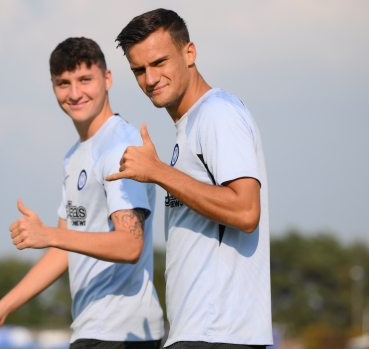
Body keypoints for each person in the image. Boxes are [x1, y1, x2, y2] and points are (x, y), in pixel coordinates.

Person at [0, 37, 165, 349]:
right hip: (91, 331)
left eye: (85, 79)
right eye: (63, 83)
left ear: (107, 79)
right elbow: (62, 250)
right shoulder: (74, 156)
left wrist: (50, 235)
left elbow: (129, 244)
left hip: (122, 335)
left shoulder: (120, 146)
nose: (74, 93)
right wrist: (0, 311)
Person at [107, 9, 272, 349]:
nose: (150, 79)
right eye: (139, 70)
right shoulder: (190, 126)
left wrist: (157, 172)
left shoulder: (217, 113)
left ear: (189, 53)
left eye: (159, 63)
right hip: (197, 333)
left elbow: (246, 211)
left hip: (217, 334)